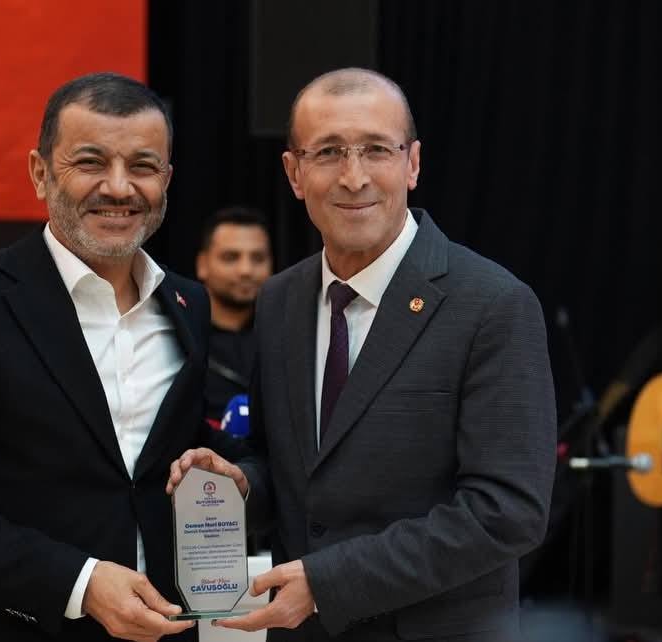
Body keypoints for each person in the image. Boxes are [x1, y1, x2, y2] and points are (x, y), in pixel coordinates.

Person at [168, 68, 556, 641]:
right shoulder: (279, 300)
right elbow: (289, 468)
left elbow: (507, 513)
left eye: (376, 149)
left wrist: (328, 583)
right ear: (294, 173)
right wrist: (239, 485)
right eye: (328, 152)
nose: (354, 177)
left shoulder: (493, 304)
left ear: (413, 163)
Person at [0, 72, 244, 642]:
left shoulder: (188, 304)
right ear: (40, 173)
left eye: (143, 166)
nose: (119, 188)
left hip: (167, 631)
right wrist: (79, 583)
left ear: (167, 180)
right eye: (91, 162)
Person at [195, 206, 273, 426]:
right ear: (202, 265)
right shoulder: (179, 339)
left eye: (258, 258)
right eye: (231, 257)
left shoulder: (289, 338)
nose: (246, 270)